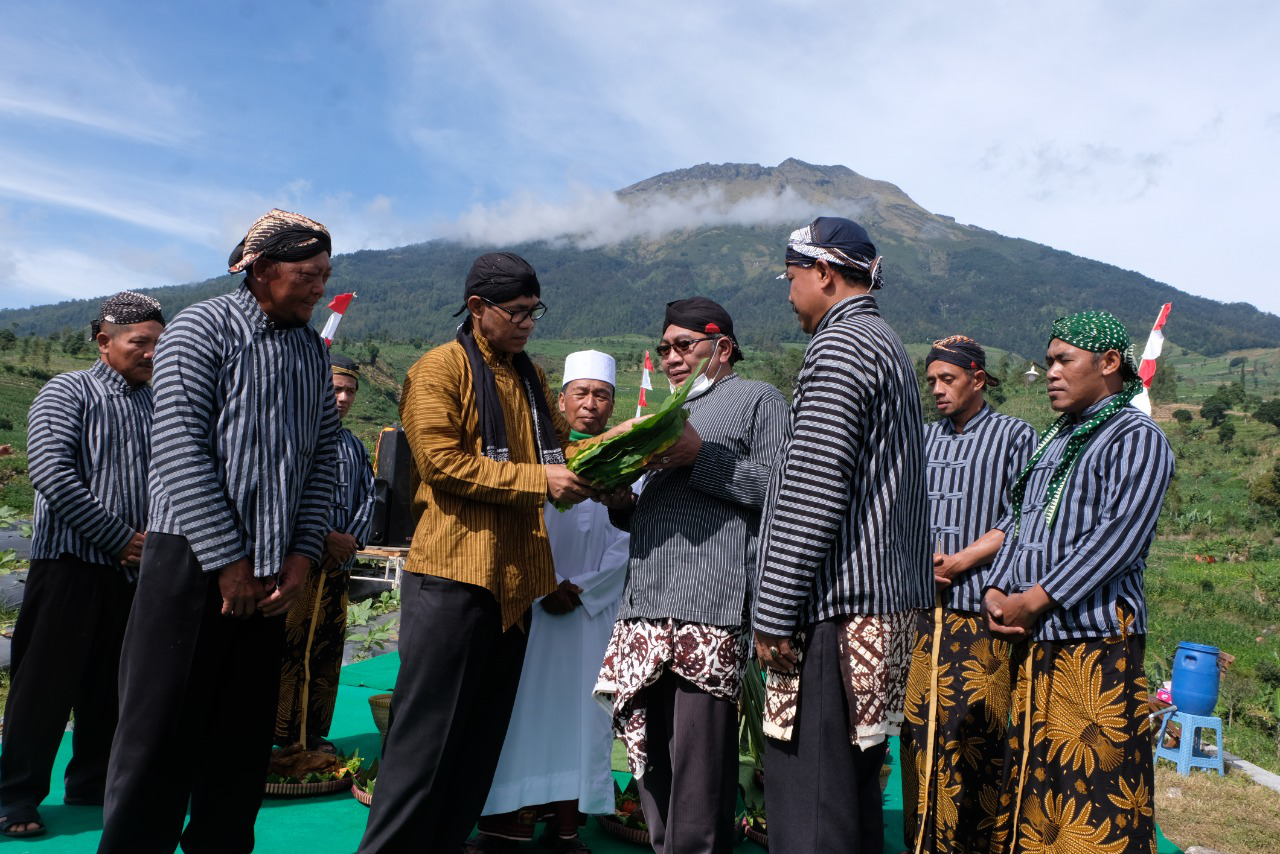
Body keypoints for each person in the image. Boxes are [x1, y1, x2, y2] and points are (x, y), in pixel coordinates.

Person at [98, 209, 340, 854]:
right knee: (159, 733)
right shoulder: (202, 328)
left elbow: (320, 462)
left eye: (324, 274)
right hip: (190, 563)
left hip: (269, 571)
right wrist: (227, 561)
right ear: (260, 271)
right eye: (306, 274)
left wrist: (302, 553)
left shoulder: (312, 354)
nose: (319, 286)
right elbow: (179, 448)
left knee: (240, 737)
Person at [357, 253, 608, 854]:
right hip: (454, 577)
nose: (527, 324)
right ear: (477, 308)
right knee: (425, 744)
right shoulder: (438, 369)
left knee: (477, 743)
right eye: (516, 313)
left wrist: (613, 463)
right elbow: (441, 464)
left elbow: (554, 460)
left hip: (516, 583)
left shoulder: (530, 376)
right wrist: (538, 482)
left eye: (534, 313)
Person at [753, 217, 932, 854]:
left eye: (792, 276)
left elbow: (813, 490)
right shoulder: (883, 342)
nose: (789, 291)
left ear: (824, 274)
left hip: (835, 615)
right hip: (877, 607)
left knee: (812, 805)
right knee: (849, 802)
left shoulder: (840, 347)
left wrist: (773, 611)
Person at [594, 297, 789, 854]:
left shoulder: (757, 398)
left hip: (710, 604)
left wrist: (699, 455)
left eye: (685, 345)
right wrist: (619, 499)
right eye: (665, 348)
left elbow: (782, 491)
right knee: (651, 756)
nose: (672, 357)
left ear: (722, 347)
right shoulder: (668, 412)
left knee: (699, 764)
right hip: (645, 603)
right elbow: (657, 506)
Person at [983, 311, 1174, 854]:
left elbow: (1120, 537)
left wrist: (1037, 599)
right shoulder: (1054, 441)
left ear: (1109, 363)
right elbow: (1018, 520)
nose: (1051, 373)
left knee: (1094, 794)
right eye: (1048, 362)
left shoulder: (1136, 438)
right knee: (1034, 786)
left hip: (1094, 645)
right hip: (1034, 641)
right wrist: (998, 591)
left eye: (1064, 360)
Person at [0, 293, 164, 839]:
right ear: (104, 341)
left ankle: (92, 783)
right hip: (70, 563)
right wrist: (118, 537)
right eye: (139, 342)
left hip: (135, 571)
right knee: (43, 687)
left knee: (112, 687)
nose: (149, 354)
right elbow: (50, 471)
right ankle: (15, 796)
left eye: (157, 344)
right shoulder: (67, 391)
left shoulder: (159, 402)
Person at [469, 350, 631, 854]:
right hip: (534, 610)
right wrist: (547, 584)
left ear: (612, 403)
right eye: (580, 393)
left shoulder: (631, 462)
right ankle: (507, 826)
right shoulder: (539, 460)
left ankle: (566, 829)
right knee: (522, 713)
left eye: (601, 395)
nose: (591, 404)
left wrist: (583, 588)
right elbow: (521, 526)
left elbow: (631, 538)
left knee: (581, 721)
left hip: (591, 618)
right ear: (560, 401)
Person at [899, 335, 1036, 854]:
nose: (936, 389)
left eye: (947, 379)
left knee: (973, 739)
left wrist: (963, 559)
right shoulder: (923, 439)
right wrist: (917, 561)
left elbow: (1023, 517)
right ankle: (921, 843)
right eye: (931, 380)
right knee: (917, 733)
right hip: (923, 616)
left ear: (978, 379)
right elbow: (905, 513)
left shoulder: (1014, 436)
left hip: (981, 616)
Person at [275, 353, 376, 750]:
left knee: (326, 650)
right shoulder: (295, 438)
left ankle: (312, 733)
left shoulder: (353, 446)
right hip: (295, 565)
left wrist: (349, 540)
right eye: (335, 388)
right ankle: (279, 735)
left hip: (337, 569)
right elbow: (287, 497)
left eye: (350, 390)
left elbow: (370, 499)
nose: (343, 397)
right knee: (287, 650)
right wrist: (322, 538)